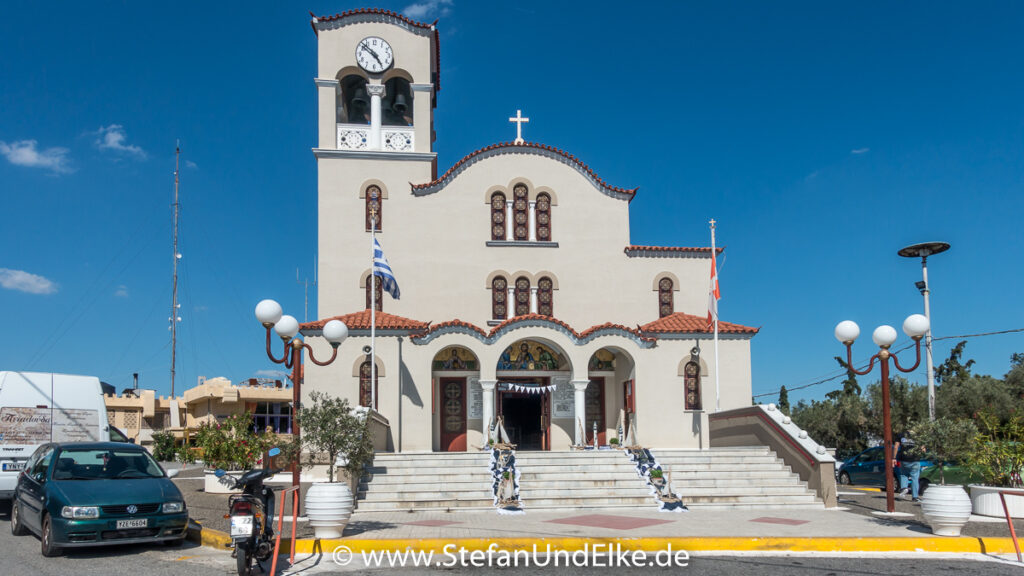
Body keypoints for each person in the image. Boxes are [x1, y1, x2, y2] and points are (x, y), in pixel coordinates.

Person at [894, 431, 923, 502]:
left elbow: (896, 447)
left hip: (903, 459)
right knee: (915, 478)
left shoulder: (901, 434)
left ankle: (904, 488)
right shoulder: (919, 434)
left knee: (903, 474)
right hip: (915, 460)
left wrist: (894, 458)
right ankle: (915, 497)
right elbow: (922, 449)